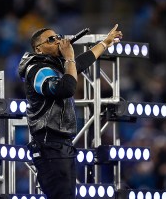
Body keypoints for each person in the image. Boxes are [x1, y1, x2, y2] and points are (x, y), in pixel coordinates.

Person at [18, 24, 123, 199]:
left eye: (58, 36)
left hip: (60, 147)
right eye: (51, 39)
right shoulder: (37, 70)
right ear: (39, 49)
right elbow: (67, 88)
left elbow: (81, 62)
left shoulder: (54, 66)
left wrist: (105, 42)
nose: (58, 40)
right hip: (50, 146)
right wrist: (69, 58)